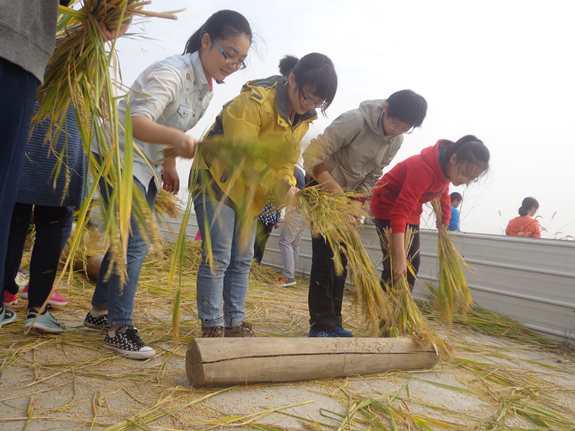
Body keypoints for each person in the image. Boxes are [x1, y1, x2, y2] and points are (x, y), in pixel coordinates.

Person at [85, 10, 253, 359]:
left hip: (144, 161)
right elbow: (137, 121)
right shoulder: (172, 72)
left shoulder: (205, 88)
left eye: (240, 60)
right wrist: (177, 141)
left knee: (128, 237)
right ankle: (119, 328)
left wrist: (169, 162)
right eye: (229, 54)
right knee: (134, 240)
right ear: (206, 41)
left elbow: (167, 120)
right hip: (118, 153)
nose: (233, 64)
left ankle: (100, 312)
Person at [0, 2, 129, 329]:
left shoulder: (49, 23)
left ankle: (3, 300)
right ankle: (38, 311)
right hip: (64, 143)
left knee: (14, 216)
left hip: (28, 137)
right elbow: (100, 103)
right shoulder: (92, 46)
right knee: (55, 221)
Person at [194, 52, 337, 338]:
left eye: (318, 103)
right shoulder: (254, 101)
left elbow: (285, 161)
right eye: (308, 97)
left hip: (250, 192)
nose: (310, 105)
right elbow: (242, 156)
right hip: (216, 178)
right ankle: (212, 324)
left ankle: (234, 322)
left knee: (243, 257)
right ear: (292, 79)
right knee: (219, 255)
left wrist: (287, 183)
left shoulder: (302, 119)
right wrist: (281, 188)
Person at [302, 90, 428, 337]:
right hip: (322, 188)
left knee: (343, 259)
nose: (396, 130)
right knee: (326, 256)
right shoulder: (355, 121)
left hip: (349, 198)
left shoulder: (396, 140)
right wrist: (338, 195)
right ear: (386, 108)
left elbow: (373, 176)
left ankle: (335, 321)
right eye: (394, 123)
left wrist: (355, 206)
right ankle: (320, 325)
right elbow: (312, 155)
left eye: (405, 128)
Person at [370, 135, 490, 291]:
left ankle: (401, 309)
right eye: (464, 173)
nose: (465, 180)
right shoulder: (423, 169)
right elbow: (399, 212)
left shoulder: (447, 170)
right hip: (387, 204)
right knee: (395, 265)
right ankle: (384, 311)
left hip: (411, 207)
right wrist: (399, 259)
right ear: (453, 159)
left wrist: (444, 219)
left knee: (413, 263)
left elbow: (443, 191)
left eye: (471, 178)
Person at [275, 166, 306, 287]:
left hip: (296, 208)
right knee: (294, 243)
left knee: (285, 241)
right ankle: (290, 275)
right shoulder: (298, 171)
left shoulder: (292, 170)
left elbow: (298, 191)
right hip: (304, 211)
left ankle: (288, 276)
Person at [253, 196, 281, 265]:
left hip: (270, 221)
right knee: (255, 241)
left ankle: (257, 264)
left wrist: (278, 220)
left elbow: (279, 206)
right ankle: (251, 262)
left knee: (262, 243)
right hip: (259, 219)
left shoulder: (277, 192)